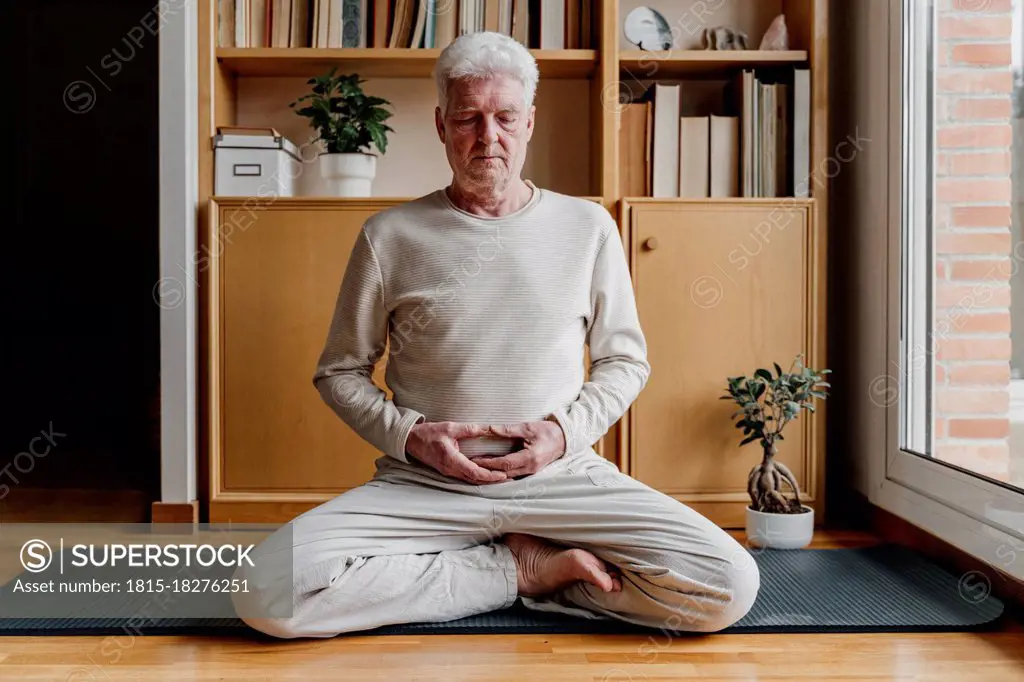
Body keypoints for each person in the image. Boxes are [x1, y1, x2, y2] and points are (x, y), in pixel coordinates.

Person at [232, 31, 759, 639]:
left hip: (562, 479)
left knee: (727, 586)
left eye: (506, 117)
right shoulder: (390, 236)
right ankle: (516, 570)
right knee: (264, 592)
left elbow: (624, 362)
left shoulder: (589, 227)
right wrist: (412, 439)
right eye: (468, 118)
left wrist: (562, 435)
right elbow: (340, 371)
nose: (489, 138)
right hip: (424, 485)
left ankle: (512, 569)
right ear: (441, 125)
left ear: (529, 121)